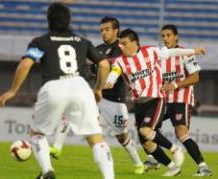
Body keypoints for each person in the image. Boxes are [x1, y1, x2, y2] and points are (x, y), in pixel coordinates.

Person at [0, 3, 114, 179]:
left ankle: (47, 172)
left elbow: (26, 63)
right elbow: (104, 65)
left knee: (37, 134)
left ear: (49, 20)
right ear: (69, 21)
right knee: (95, 138)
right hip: (80, 87)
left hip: (53, 87)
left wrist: (13, 91)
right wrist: (98, 89)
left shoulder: (41, 41)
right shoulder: (83, 42)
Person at [104, 28, 206, 176]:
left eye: (124, 43)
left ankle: (175, 150)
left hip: (155, 99)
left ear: (134, 43)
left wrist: (193, 51)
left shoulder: (150, 52)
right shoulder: (120, 61)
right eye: (120, 44)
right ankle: (172, 166)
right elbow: (114, 72)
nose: (121, 46)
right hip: (139, 104)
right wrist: (109, 81)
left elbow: (172, 52)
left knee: (146, 131)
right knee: (146, 142)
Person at [50, 16, 144, 174]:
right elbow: (91, 70)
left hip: (115, 99)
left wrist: (100, 65)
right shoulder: (98, 48)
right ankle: (56, 147)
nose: (103, 33)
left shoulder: (122, 48)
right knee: (70, 112)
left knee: (122, 137)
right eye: (101, 30)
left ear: (116, 31)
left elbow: (115, 64)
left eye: (107, 30)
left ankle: (138, 163)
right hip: (95, 94)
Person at [158, 24, 211, 176]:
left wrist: (174, 85)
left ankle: (203, 167)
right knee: (149, 128)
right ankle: (154, 157)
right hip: (164, 99)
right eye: (163, 36)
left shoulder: (186, 54)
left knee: (181, 133)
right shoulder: (161, 55)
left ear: (176, 36)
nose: (165, 39)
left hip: (181, 98)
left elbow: (195, 77)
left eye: (168, 35)